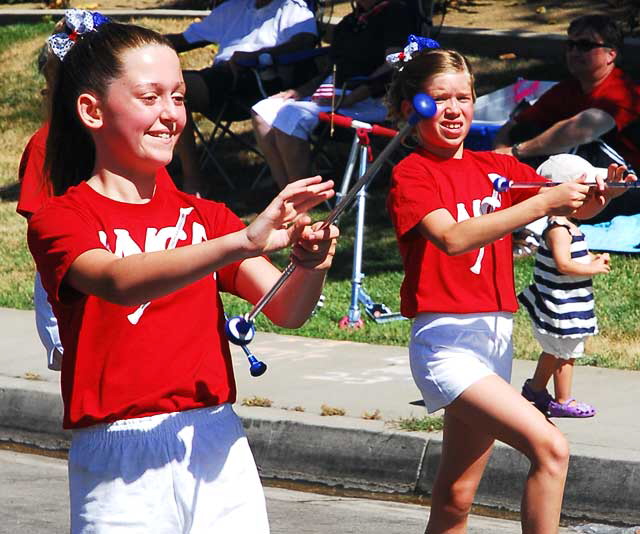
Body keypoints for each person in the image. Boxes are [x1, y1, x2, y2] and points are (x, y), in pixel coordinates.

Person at [28, 11, 338, 532]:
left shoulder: (206, 217)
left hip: (215, 443)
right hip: (118, 458)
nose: (171, 113)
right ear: (92, 110)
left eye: (178, 97)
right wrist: (242, 241)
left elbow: (287, 308)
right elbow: (118, 281)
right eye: (149, 97)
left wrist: (309, 265)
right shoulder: (62, 217)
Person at [385, 46, 633, 533]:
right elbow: (453, 238)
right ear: (410, 107)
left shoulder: (492, 168)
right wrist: (545, 202)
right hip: (445, 345)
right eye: (440, 99)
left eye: (465, 97)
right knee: (551, 448)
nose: (454, 110)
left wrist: (603, 193)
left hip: (494, 341)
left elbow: (572, 209)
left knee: (456, 497)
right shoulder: (411, 174)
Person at [17, 28, 177, 371]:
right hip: (77, 275)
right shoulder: (45, 144)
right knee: (90, 370)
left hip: (145, 268)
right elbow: (42, 226)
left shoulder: (141, 151)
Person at [493, 14, 640, 223]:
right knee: (529, 132)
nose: (574, 52)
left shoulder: (624, 91)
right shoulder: (568, 89)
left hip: (628, 186)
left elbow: (581, 130)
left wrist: (516, 151)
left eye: (585, 45)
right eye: (570, 45)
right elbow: (516, 123)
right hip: (590, 185)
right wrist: (501, 156)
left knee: (580, 146)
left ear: (611, 54)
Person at [251, 0, 412, 189]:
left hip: (371, 99)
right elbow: (331, 68)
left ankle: (301, 199)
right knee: (262, 111)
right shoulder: (349, 22)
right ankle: (285, 193)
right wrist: (300, 91)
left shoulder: (396, 14)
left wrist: (351, 97)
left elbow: (395, 68)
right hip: (335, 93)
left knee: (291, 115)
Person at [165, 0, 318, 195]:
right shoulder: (234, 8)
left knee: (178, 88)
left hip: (261, 80)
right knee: (171, 90)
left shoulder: (292, 9)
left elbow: (304, 42)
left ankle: (193, 183)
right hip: (221, 80)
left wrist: (257, 55)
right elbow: (183, 40)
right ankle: (188, 175)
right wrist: (141, 44)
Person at [519, 154, 614, 419]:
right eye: (588, 192)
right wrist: (592, 268)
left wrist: (591, 259)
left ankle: (535, 390)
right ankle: (562, 400)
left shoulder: (566, 226)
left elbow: (572, 260)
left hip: (564, 303)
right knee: (565, 354)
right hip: (560, 307)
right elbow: (564, 264)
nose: (594, 198)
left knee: (554, 351)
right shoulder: (558, 228)